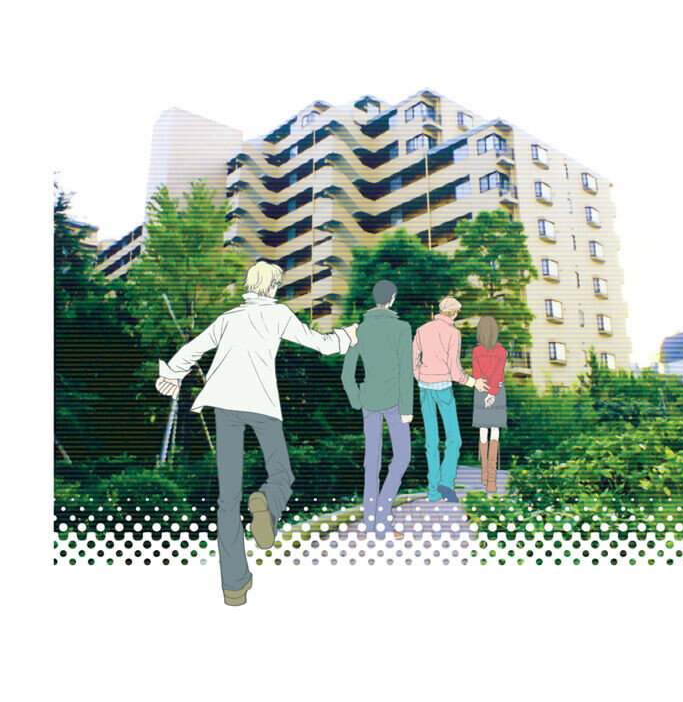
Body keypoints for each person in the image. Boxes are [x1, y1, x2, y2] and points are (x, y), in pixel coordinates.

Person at [154, 259, 357, 606]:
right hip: (261, 402)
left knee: (227, 498)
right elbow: (320, 344)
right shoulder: (278, 314)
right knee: (281, 473)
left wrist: (171, 374)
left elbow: (194, 348)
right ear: (273, 287)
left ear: (249, 286)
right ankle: (266, 501)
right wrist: (347, 338)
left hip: (224, 403)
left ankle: (234, 585)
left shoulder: (228, 318)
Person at [341, 279, 413, 538]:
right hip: (395, 402)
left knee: (371, 464)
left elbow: (347, 374)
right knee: (402, 457)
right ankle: (382, 517)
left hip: (368, 401)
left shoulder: (359, 331)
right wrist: (407, 407)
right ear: (392, 299)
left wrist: (356, 399)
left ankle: (371, 524)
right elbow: (406, 370)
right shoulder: (402, 328)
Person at [412, 296, 488, 502]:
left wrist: (421, 375)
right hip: (443, 388)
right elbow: (455, 370)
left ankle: (433, 490)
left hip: (425, 389)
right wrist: (474, 382)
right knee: (453, 439)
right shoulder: (453, 333)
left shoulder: (421, 330)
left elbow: (413, 361)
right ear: (453, 313)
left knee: (431, 440)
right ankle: (446, 482)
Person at [472, 316, 507, 495]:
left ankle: (484, 474)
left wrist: (485, 391)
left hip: (480, 390)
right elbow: (498, 373)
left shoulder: (476, 351)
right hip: (497, 391)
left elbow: (477, 374)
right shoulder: (501, 352)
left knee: (483, 432)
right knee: (494, 431)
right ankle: (492, 481)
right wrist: (492, 393)